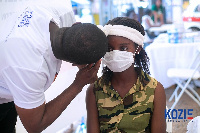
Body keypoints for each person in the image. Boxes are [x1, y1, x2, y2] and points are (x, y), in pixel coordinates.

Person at [0, 3, 108, 133]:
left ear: (76, 24)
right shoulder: (31, 67)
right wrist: (78, 84)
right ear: (74, 64)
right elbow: (35, 126)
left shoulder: (63, 11)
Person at [86, 17, 166, 133]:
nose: (115, 54)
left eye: (123, 48)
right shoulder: (95, 90)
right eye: (109, 49)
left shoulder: (155, 90)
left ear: (137, 48)